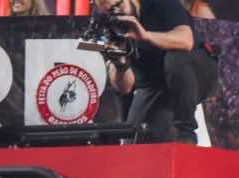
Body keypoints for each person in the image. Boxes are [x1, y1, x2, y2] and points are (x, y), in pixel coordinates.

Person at [92, 0, 218, 144]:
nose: (117, 14)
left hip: (195, 71)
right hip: (154, 85)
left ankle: (186, 133)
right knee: (131, 140)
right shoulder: (114, 28)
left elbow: (186, 41)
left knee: (175, 59)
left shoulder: (160, 4)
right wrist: (120, 63)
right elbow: (125, 87)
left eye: (118, 6)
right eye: (110, 12)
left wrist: (144, 35)